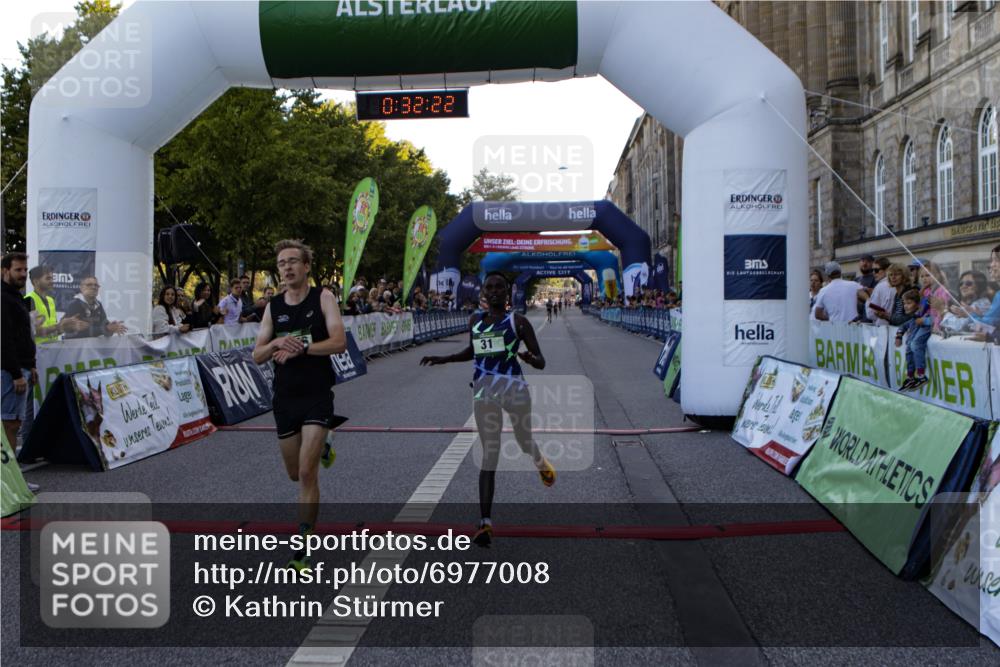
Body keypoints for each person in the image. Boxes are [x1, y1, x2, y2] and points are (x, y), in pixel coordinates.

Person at [420, 272, 554, 548]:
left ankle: (539, 460)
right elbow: (473, 351)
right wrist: (443, 358)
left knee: (523, 441)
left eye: (499, 288)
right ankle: (485, 523)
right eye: (489, 287)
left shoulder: (518, 322)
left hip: (514, 389)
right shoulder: (475, 321)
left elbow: (541, 362)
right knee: (489, 454)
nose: (493, 292)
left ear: (508, 293)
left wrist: (529, 358)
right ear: (483, 292)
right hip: (484, 392)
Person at [253, 240, 346, 571]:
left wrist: (302, 347)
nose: (287, 267)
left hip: (317, 394)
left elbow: (339, 342)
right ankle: (325, 444)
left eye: (293, 261)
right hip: (285, 398)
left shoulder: (323, 297)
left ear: (306, 266)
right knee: (294, 474)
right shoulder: (273, 307)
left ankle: (303, 548)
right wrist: (277, 341)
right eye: (281, 263)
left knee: (308, 474)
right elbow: (257, 354)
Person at [1, 253, 39, 491]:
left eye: (25, 270)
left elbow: (24, 337)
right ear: (4, 270)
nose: (23, 275)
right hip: (9, 372)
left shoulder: (15, 297)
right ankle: (10, 483)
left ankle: (10, 480)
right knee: (9, 426)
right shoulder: (3, 299)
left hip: (21, 368)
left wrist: (31, 365)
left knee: (12, 424)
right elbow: (4, 340)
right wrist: (16, 373)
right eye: (18, 270)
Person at [61, 277, 128, 339]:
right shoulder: (75, 304)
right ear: (81, 288)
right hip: (74, 349)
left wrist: (112, 328)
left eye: (96, 285)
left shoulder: (98, 305)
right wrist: (106, 328)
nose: (93, 287)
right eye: (89, 285)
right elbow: (79, 332)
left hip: (91, 348)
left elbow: (105, 328)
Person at [895, 289, 933, 391]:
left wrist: (924, 320)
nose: (905, 306)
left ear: (918, 304)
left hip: (918, 343)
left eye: (909, 303)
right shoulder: (913, 318)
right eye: (904, 303)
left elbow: (934, 321)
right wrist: (899, 335)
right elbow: (903, 326)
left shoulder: (924, 316)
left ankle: (921, 375)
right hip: (910, 351)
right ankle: (910, 377)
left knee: (914, 344)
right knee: (909, 347)